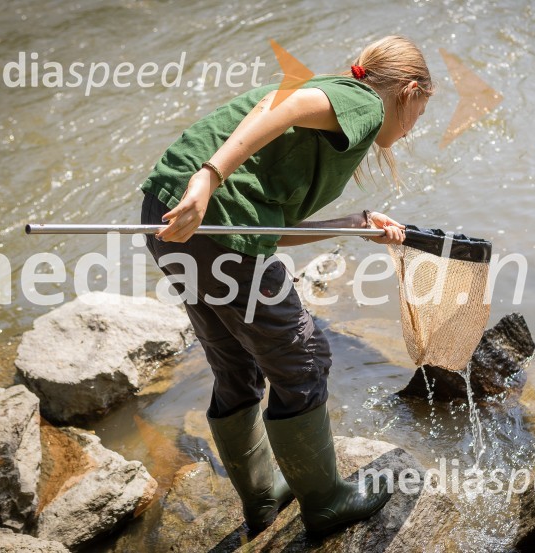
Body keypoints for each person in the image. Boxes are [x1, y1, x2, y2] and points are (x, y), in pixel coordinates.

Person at [139, 35, 433, 536]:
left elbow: (267, 225)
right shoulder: (363, 101)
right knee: (303, 359)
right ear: (407, 91)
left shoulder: (338, 103)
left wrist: (352, 223)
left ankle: (261, 498)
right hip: (210, 220)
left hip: (168, 216)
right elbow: (282, 103)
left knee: (235, 362)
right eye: (420, 114)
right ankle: (326, 503)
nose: (411, 131)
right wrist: (208, 181)